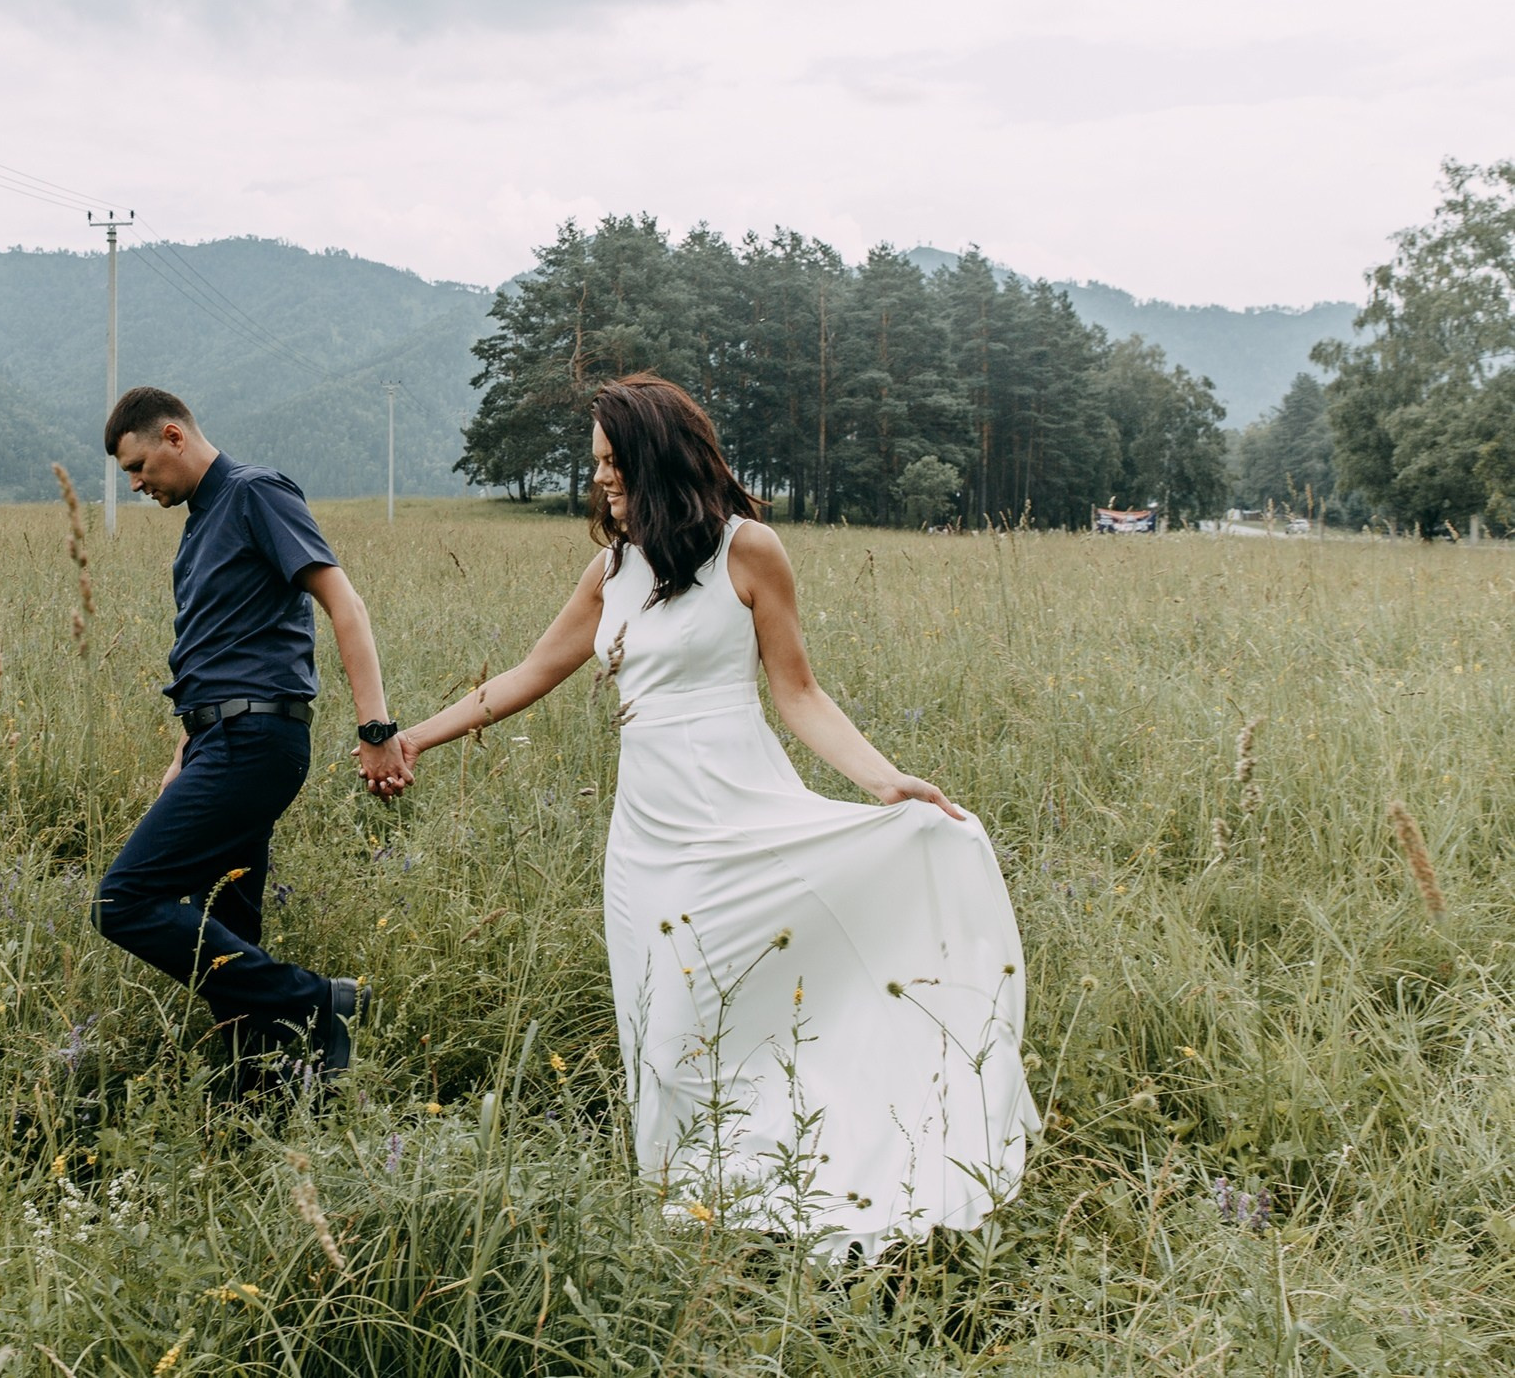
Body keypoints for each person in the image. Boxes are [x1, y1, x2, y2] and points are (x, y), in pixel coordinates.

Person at [375, 373, 1036, 1252]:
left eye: (613, 463)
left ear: (656, 457)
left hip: (739, 813)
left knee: (750, 1002)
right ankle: (688, 1213)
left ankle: (807, 1172)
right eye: (597, 465)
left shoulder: (747, 550)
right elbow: (526, 676)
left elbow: (798, 693)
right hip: (646, 838)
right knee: (663, 1029)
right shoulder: (609, 573)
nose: (601, 480)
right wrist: (415, 737)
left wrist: (885, 780)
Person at [94, 386, 407, 1088]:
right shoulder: (201, 524)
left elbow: (342, 601)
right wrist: (186, 749)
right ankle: (274, 1082)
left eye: (139, 466)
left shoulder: (253, 492)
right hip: (220, 740)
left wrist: (375, 726)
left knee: (124, 900)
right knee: (226, 920)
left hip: (256, 739)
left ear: (174, 436)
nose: (138, 484)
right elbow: (217, 651)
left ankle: (318, 1003)